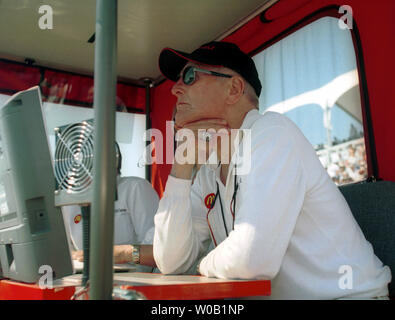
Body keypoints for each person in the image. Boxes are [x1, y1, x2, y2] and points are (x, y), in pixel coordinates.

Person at [151, 41, 391, 299]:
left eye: (189, 76)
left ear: (233, 89)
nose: (175, 89)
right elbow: (170, 262)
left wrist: (202, 263)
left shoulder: (273, 133)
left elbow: (252, 259)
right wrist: (182, 167)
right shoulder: (210, 169)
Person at [63, 143, 159, 272]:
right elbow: (66, 251)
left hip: (134, 279)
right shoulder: (70, 200)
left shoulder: (135, 188)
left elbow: (158, 251)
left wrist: (123, 254)